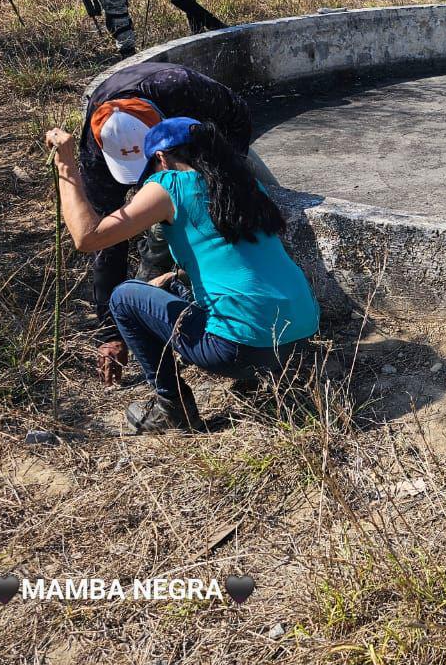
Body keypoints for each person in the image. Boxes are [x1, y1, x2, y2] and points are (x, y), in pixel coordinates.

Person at [45, 117, 319, 432]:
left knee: (124, 297)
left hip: (240, 349)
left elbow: (87, 237)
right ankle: (268, 375)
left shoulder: (169, 186)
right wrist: (169, 279)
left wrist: (66, 164)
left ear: (161, 158)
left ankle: (172, 407)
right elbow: (229, 256)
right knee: (171, 286)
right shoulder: (244, 184)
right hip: (300, 336)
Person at [78, 62, 258, 389]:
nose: (144, 181)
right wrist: (110, 333)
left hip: (203, 148)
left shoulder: (180, 86)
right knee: (153, 243)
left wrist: (223, 181)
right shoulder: (94, 154)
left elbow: (238, 115)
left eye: (148, 169)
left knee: (209, 225)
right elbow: (105, 242)